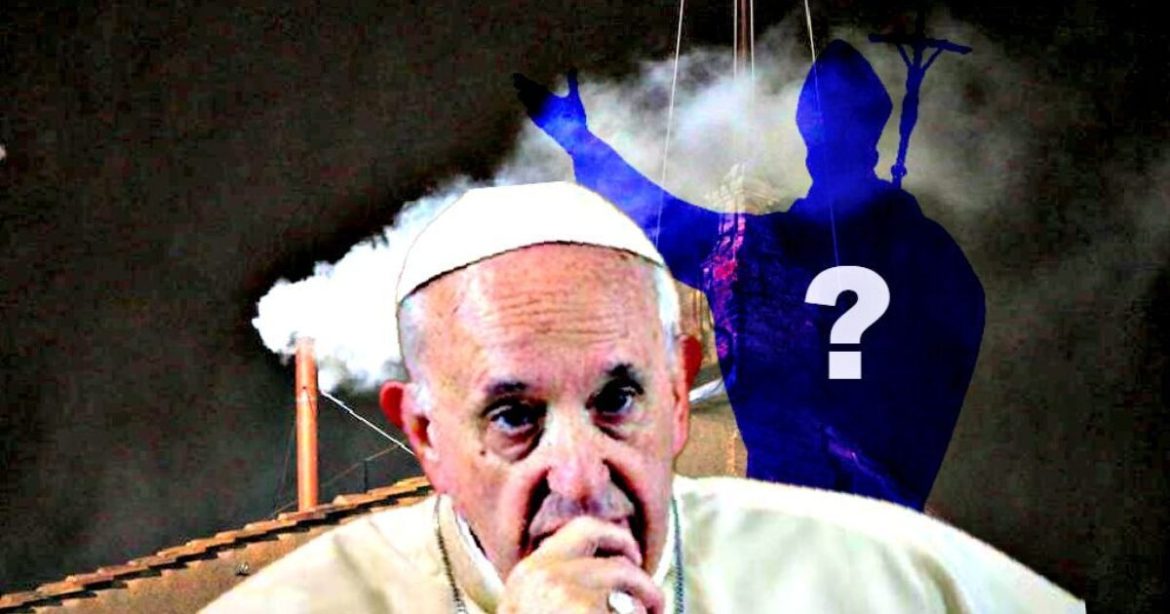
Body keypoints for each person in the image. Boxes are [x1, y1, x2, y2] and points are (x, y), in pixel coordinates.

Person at [205, 182, 1079, 613]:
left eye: (618, 400)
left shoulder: (889, 577)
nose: (581, 476)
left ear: (677, 392)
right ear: (426, 435)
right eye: (515, 418)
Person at [512, 40, 986, 511]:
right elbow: (951, 349)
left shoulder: (770, 246)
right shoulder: (931, 253)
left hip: (792, 501)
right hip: (879, 506)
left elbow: (661, 221)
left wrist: (579, 142)